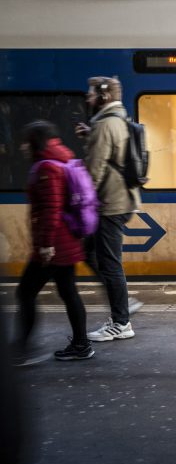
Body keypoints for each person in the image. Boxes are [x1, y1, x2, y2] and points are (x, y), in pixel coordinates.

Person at [13, 121, 94, 363]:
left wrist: (46, 244)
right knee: (68, 291)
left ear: (36, 142)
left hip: (53, 245)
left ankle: (23, 349)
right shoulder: (61, 159)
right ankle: (81, 345)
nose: (22, 147)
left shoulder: (47, 168)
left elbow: (51, 208)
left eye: (26, 142)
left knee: (25, 293)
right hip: (65, 240)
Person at [74, 76, 142, 342]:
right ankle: (122, 304)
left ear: (102, 97)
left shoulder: (104, 124)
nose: (88, 98)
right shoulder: (115, 120)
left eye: (91, 94)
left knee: (110, 263)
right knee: (91, 253)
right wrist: (90, 136)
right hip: (119, 200)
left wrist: (78, 203)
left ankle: (121, 321)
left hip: (110, 204)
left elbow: (94, 171)